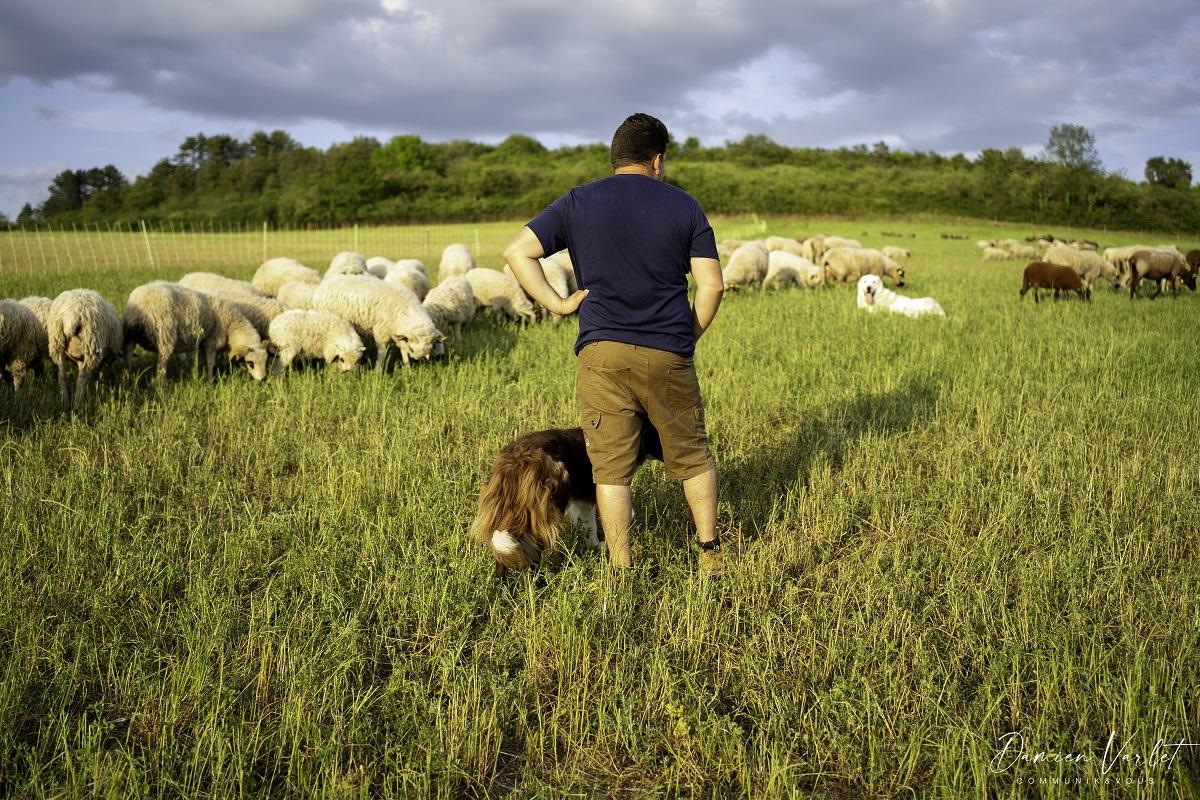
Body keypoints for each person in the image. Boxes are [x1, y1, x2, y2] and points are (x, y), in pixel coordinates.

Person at [502, 112, 725, 574]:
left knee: (610, 467)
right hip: (667, 349)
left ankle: (621, 566)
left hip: (601, 350)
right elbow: (712, 286)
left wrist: (558, 304)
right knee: (692, 454)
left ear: (616, 158)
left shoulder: (578, 201)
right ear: (657, 160)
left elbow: (516, 251)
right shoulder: (685, 206)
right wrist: (687, 335)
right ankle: (709, 552)